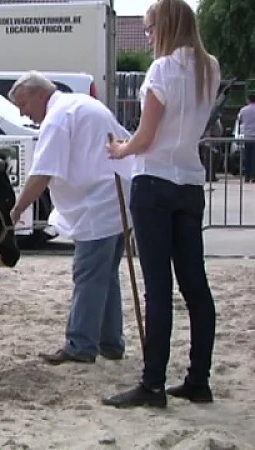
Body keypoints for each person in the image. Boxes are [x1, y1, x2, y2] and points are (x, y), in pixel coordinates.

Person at [103, 0, 221, 408]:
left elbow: (146, 137)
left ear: (166, 27)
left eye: (151, 29)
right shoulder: (211, 68)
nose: (148, 35)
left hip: (154, 181)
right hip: (189, 181)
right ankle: (198, 379)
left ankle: (152, 384)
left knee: (158, 287)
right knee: (195, 286)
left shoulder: (162, 70)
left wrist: (120, 149)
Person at [7, 71, 132, 366]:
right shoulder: (78, 104)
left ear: (40, 95)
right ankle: (109, 342)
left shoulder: (59, 117)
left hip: (99, 204)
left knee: (88, 274)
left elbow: (42, 174)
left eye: (23, 103)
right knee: (104, 275)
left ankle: (81, 344)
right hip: (116, 198)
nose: (22, 112)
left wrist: (15, 210)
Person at [238, 93, 255, 182]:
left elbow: (240, 120)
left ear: (248, 100)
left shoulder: (243, 110)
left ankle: (247, 176)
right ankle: (253, 176)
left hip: (247, 136)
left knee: (247, 157)